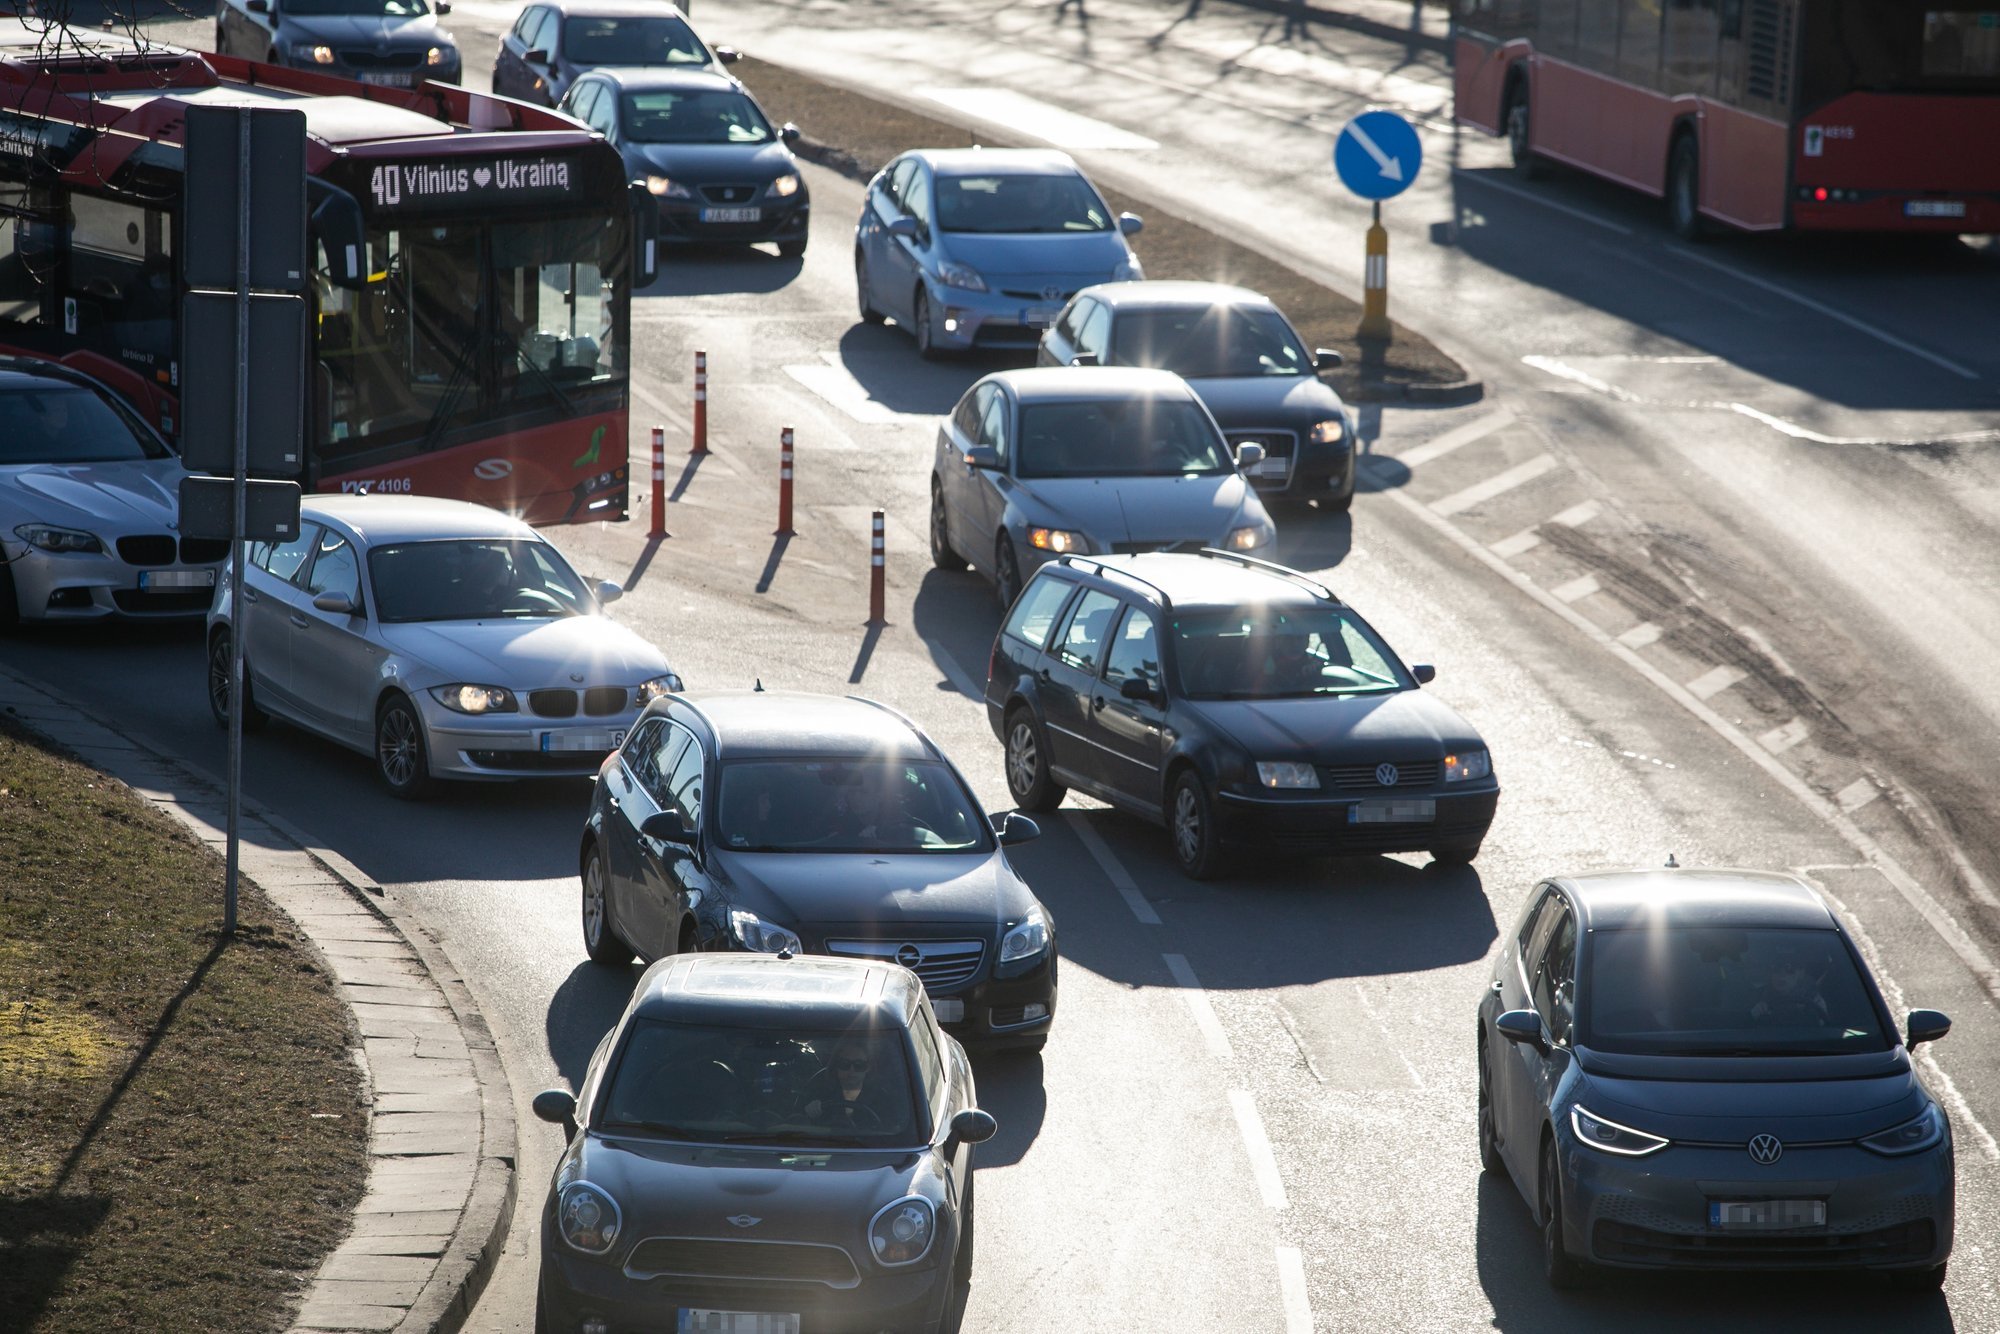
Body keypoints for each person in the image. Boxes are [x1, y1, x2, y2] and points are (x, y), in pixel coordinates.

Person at [800, 1039, 899, 1130]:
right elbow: (796, 1125)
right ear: (836, 1065)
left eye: (859, 1065)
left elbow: (891, 1132)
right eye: (845, 1064)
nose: (851, 1071)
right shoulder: (818, 1092)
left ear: (868, 1067)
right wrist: (809, 1112)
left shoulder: (882, 1100)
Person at [1748, 939, 1830, 1027]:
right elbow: (1743, 1029)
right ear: (1769, 972)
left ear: (1801, 972)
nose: (1782, 974)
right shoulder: (1757, 997)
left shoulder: (1814, 1000)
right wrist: (1753, 1015)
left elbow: (1825, 1031)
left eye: (1789, 968)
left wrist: (1819, 1014)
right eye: (1776, 967)